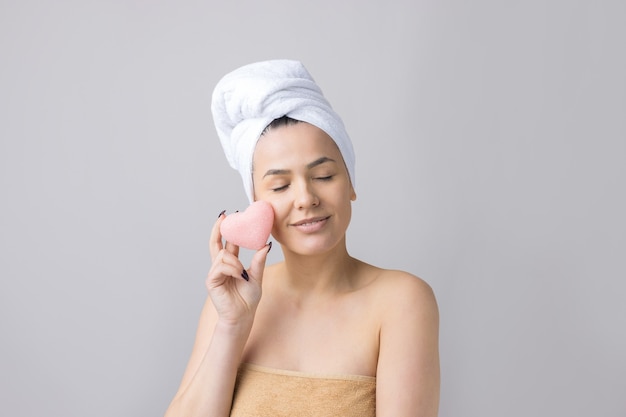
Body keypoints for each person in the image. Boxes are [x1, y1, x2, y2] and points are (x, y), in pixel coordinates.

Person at [165, 59, 439, 417]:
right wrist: (232, 325)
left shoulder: (401, 302)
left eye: (324, 176)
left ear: (351, 183)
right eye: (280, 185)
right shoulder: (230, 302)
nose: (306, 199)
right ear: (256, 206)